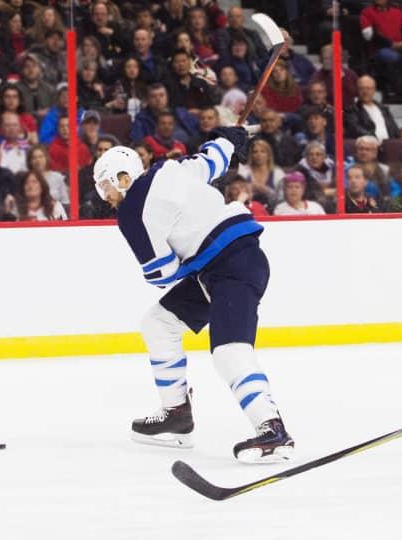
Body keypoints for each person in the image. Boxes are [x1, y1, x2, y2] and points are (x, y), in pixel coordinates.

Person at [92, 126, 295, 461]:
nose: (106, 197)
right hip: (230, 263)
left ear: (123, 178)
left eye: (105, 187)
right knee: (159, 323)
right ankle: (177, 416)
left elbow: (160, 273)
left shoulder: (132, 211)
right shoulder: (171, 169)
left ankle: (272, 430)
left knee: (229, 351)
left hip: (231, 266)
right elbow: (212, 159)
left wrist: (183, 256)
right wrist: (229, 138)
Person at [4, 170, 68, 221]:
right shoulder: (15, 207)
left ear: (42, 186)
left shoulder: (55, 206)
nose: (30, 186)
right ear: (22, 189)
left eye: (34, 182)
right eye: (26, 183)